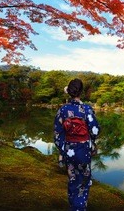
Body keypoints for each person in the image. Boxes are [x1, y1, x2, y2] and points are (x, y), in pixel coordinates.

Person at [54, 78, 100, 211]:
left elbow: (57, 133)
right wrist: (91, 140)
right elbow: (95, 131)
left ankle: (73, 206)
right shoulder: (86, 109)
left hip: (69, 149)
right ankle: (79, 207)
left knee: (73, 179)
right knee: (84, 181)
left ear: (69, 92)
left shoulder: (63, 110)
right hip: (84, 149)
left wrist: (63, 149)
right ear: (81, 92)